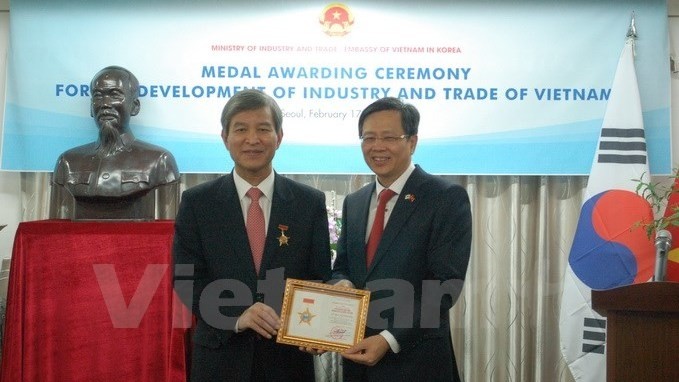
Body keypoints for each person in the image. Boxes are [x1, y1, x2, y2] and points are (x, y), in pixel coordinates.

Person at [172, 89, 332, 381]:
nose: (252, 139)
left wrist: (313, 329)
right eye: (241, 129)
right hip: (220, 360)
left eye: (263, 129)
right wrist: (237, 314)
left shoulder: (309, 203)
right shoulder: (198, 203)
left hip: (288, 362)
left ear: (279, 136)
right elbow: (186, 279)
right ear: (225, 138)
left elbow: (318, 277)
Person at [331, 97, 472, 381]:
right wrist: (342, 283)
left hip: (416, 361)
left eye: (389, 137)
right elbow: (341, 266)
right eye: (368, 138)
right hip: (358, 362)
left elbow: (445, 287)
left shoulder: (444, 198)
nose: (377, 146)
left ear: (412, 142)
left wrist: (388, 338)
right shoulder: (355, 202)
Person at [52, 65, 179, 220]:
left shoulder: (160, 161)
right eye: (98, 96)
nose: (105, 104)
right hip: (80, 244)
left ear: (135, 106)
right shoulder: (68, 162)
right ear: (91, 108)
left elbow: (168, 232)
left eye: (115, 95)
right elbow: (54, 230)